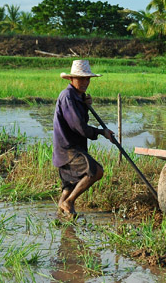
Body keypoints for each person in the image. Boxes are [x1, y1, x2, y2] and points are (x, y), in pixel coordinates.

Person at [52, 60, 114, 217]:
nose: (85, 82)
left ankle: (63, 216)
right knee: (96, 171)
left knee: (69, 186)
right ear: (71, 79)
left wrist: (86, 106)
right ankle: (70, 202)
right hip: (68, 149)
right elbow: (79, 127)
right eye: (81, 78)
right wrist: (101, 132)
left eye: (87, 79)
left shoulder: (78, 97)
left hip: (70, 148)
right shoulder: (68, 97)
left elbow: (81, 121)